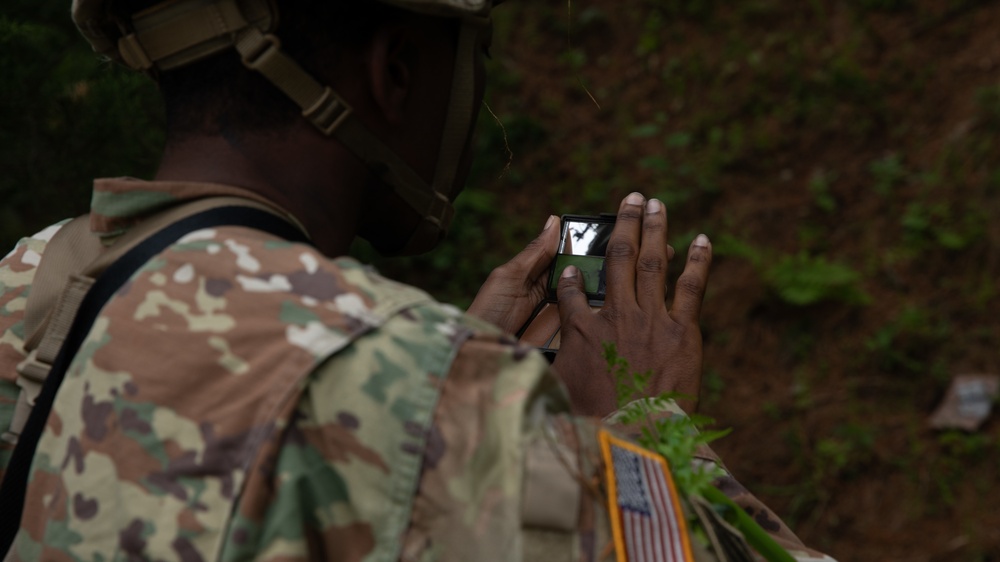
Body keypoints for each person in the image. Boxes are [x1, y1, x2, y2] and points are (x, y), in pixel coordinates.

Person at [0, 0, 833, 560]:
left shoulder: (30, 283)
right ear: (395, 68)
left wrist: (432, 370)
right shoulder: (428, 390)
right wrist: (644, 431)